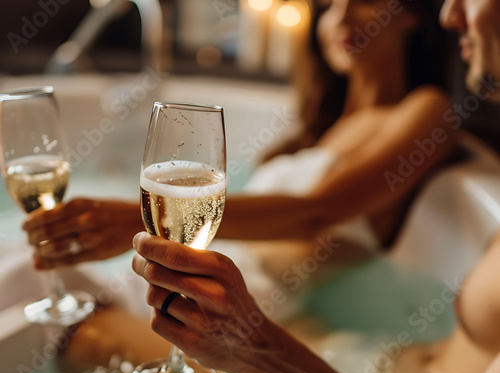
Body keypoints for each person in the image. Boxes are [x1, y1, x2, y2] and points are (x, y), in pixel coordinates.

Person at [125, 1, 500, 373]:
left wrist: (254, 347)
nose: (450, 11)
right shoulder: (320, 125)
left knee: (75, 338)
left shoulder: (424, 111)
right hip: (377, 369)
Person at [23, 0, 455, 271]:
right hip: (193, 274)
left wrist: (134, 221)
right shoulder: (325, 127)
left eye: (362, 1)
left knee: (22, 281)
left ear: (411, 13)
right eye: (327, 5)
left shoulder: (428, 109)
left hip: (240, 301)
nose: (340, 17)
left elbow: (317, 213)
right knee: (20, 272)